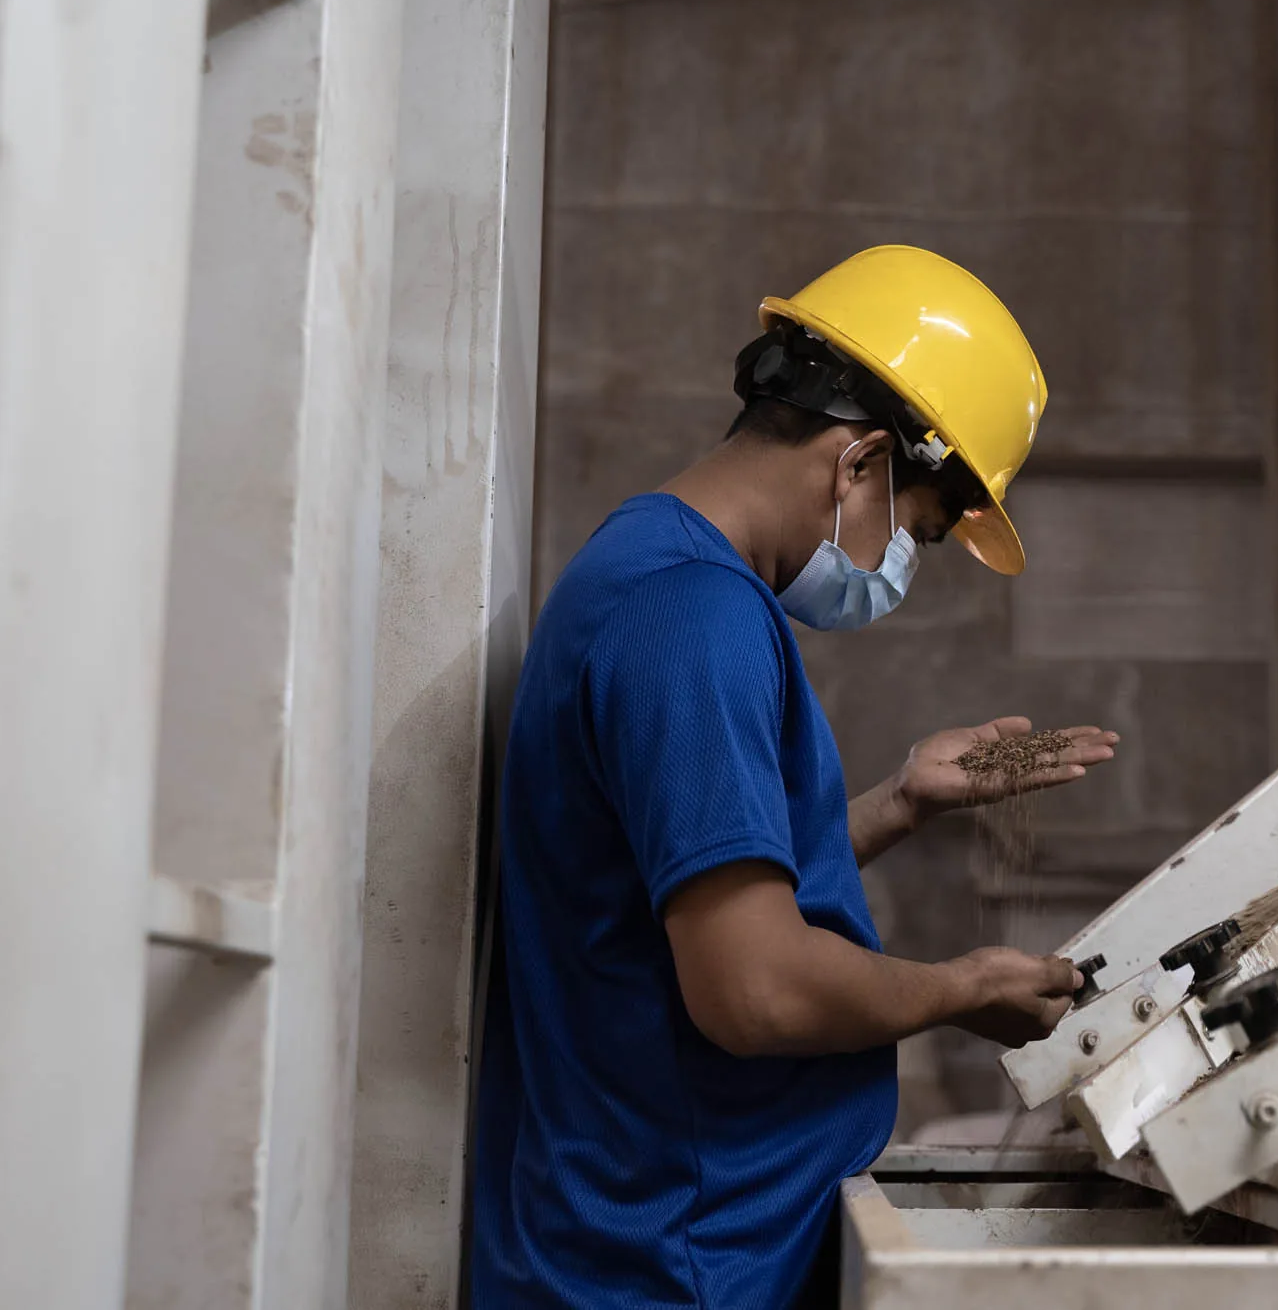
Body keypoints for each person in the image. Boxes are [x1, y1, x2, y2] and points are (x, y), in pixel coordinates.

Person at [470, 245, 1119, 1308]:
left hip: (670, 1235)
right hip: (673, 1262)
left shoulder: (652, 571)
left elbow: (667, 881)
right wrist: (959, 988)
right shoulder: (693, 620)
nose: (897, 565)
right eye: (913, 531)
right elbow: (756, 990)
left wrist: (898, 801)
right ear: (860, 460)